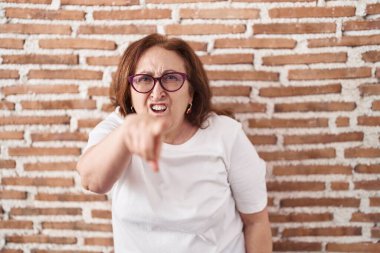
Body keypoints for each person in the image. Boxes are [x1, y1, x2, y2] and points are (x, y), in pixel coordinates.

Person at [76, 33, 272, 253]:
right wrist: (126, 133)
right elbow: (92, 181)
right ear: (130, 92)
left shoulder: (226, 135)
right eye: (144, 79)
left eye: (171, 78)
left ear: (191, 94)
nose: (157, 92)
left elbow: (256, 222)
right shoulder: (116, 129)